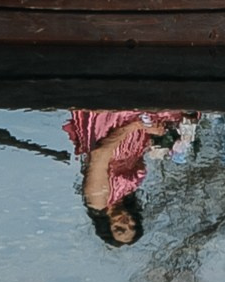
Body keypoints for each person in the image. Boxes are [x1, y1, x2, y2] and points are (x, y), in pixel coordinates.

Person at [65, 104, 191, 245]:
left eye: (119, 228)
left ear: (105, 226)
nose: (127, 222)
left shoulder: (98, 201)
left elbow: (99, 154)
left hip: (110, 125)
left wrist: (136, 125)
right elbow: (135, 154)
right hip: (134, 130)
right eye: (133, 225)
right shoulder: (125, 195)